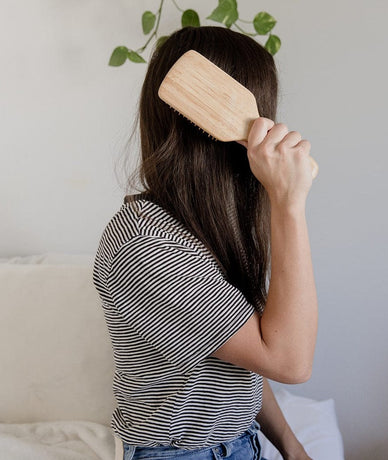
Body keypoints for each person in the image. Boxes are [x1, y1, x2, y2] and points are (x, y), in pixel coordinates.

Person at [92, 25, 318, 460]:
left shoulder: (203, 227)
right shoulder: (145, 245)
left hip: (240, 441)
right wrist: (288, 204)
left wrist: (291, 447)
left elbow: (247, 354)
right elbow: (290, 361)